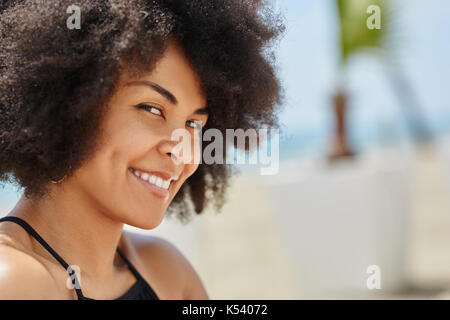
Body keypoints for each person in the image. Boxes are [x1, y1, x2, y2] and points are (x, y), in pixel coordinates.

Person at [0, 0, 283, 299]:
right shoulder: (14, 281)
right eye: (151, 108)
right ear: (68, 106)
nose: (183, 152)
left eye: (193, 124)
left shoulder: (168, 272)